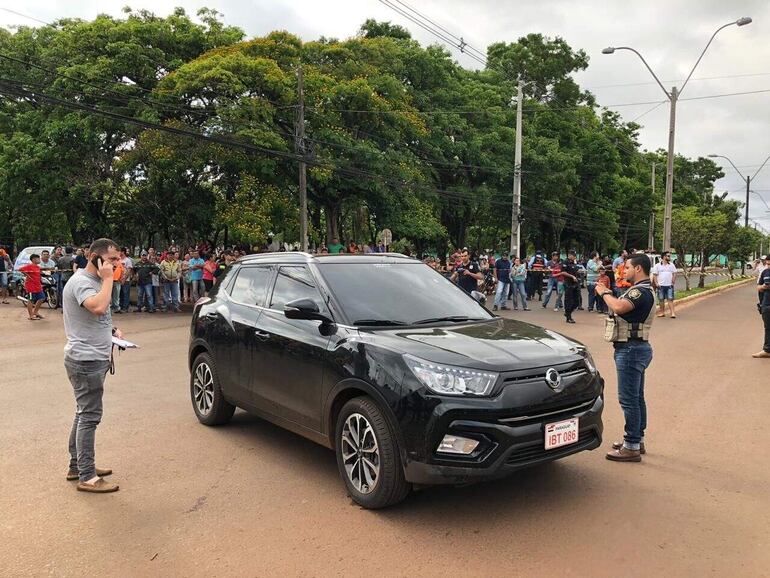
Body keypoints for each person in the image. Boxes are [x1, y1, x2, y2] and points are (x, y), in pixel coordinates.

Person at [62, 238, 123, 493]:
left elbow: (95, 317)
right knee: (89, 416)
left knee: (82, 413)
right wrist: (109, 279)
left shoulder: (95, 281)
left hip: (93, 357)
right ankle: (87, 476)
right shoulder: (82, 282)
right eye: (111, 260)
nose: (116, 264)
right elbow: (98, 307)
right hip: (85, 360)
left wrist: (112, 330)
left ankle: (78, 465)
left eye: (117, 259)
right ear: (94, 257)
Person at [595, 253, 656, 462]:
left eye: (627, 267)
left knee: (628, 399)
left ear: (638, 269)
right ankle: (636, 440)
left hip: (631, 350)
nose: (624, 270)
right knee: (636, 397)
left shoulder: (640, 292)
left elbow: (620, 307)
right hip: (636, 348)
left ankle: (631, 446)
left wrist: (604, 293)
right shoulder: (642, 290)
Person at [18, 254, 46, 320]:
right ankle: (31, 315)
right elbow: (20, 269)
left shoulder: (38, 267)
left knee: (42, 298)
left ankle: (35, 312)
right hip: (31, 286)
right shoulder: (30, 266)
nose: (39, 260)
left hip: (38, 285)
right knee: (30, 300)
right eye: (38, 258)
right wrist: (27, 275)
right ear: (33, 259)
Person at [753, 254, 770, 358]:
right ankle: (767, 350)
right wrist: (763, 286)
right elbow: (758, 287)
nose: (768, 266)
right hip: (766, 304)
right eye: (768, 264)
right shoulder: (765, 272)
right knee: (768, 328)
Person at [652, 251, 677, 319]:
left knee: (670, 299)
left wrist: (673, 280)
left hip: (669, 285)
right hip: (661, 286)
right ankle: (662, 312)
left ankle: (672, 313)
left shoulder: (671, 265)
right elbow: (655, 275)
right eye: (668, 256)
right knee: (661, 299)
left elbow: (675, 273)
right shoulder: (657, 265)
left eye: (669, 256)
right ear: (664, 257)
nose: (669, 257)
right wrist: (656, 283)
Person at [561, 250, 581, 324]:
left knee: (577, 301)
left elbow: (575, 270)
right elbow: (563, 272)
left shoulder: (574, 263)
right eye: (574, 255)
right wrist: (572, 276)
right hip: (568, 283)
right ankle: (568, 317)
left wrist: (579, 272)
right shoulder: (565, 262)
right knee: (568, 301)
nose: (574, 257)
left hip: (575, 283)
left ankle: (568, 313)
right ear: (570, 255)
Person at [119, 247, 133, 313]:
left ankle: (125, 307)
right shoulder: (118, 260)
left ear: (123, 252)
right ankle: (120, 306)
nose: (119, 253)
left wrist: (124, 278)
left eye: (120, 251)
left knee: (125, 293)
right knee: (120, 294)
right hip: (118, 280)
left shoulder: (127, 260)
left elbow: (129, 270)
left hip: (126, 280)